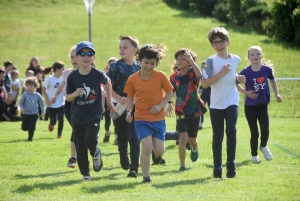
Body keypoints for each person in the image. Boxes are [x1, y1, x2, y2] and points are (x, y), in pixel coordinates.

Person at [124, 43, 173, 183]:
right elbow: (129, 97)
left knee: (159, 151)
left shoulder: (160, 76)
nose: (149, 66)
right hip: (141, 119)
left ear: (156, 63)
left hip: (158, 119)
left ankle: (157, 151)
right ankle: (146, 177)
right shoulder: (133, 79)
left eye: (152, 63)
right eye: (146, 62)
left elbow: (169, 93)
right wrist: (128, 112)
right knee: (146, 146)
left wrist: (160, 106)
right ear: (139, 61)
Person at [66, 41, 114, 181]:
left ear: (94, 57)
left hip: (94, 114)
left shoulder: (97, 74)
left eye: (89, 54)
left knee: (90, 140)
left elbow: (108, 82)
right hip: (77, 116)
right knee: (80, 146)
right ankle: (85, 174)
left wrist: (109, 101)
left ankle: (95, 153)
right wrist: (75, 93)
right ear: (76, 57)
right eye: (82, 53)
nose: (86, 56)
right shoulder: (72, 77)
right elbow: (68, 98)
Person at [202, 27, 245, 178]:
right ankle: (217, 167)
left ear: (228, 42)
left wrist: (239, 78)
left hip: (232, 100)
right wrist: (222, 73)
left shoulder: (236, 59)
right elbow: (205, 84)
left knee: (231, 131)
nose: (219, 45)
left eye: (222, 42)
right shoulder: (210, 61)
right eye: (215, 43)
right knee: (218, 135)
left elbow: (232, 76)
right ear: (212, 45)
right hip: (216, 104)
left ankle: (231, 165)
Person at [237, 46, 282, 162]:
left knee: (265, 130)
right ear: (248, 57)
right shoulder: (245, 72)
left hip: (263, 105)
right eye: (252, 54)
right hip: (250, 107)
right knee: (254, 132)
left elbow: (272, 80)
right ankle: (254, 156)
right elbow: (235, 82)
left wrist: (277, 94)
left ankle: (263, 146)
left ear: (262, 55)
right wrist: (245, 92)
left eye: (258, 54)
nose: (255, 56)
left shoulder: (267, 70)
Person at [166, 48, 206, 171]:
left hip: (194, 110)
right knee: (182, 138)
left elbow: (200, 75)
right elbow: (170, 91)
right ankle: (182, 166)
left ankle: (194, 148)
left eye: (183, 59)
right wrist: (168, 104)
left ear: (189, 61)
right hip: (180, 110)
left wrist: (191, 61)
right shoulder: (173, 77)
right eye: (177, 59)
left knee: (192, 139)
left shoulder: (193, 73)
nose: (179, 61)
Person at [106, 36, 141, 178]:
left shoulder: (139, 67)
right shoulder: (115, 66)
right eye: (120, 47)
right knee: (122, 137)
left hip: (135, 108)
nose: (121, 49)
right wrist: (118, 97)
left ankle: (134, 168)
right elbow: (107, 84)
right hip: (119, 107)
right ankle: (122, 154)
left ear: (134, 50)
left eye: (125, 47)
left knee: (134, 136)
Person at [51, 45, 79, 168]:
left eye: (76, 56)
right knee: (76, 128)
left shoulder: (89, 72)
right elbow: (62, 86)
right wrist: (55, 96)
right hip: (69, 105)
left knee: (81, 130)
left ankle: (85, 154)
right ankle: (73, 158)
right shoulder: (66, 72)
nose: (74, 59)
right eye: (72, 57)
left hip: (84, 105)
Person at [42, 61, 65, 139]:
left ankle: (59, 135)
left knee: (61, 119)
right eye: (63, 69)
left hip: (61, 103)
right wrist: (47, 100)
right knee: (53, 121)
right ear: (58, 70)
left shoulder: (63, 79)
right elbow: (43, 89)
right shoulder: (50, 79)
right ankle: (51, 123)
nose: (64, 70)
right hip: (51, 104)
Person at [19, 76, 45, 141]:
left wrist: (43, 111)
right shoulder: (24, 94)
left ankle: (30, 138)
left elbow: (41, 103)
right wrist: (22, 108)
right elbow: (21, 103)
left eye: (31, 86)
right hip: (25, 113)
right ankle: (29, 127)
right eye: (28, 86)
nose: (29, 87)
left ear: (35, 86)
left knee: (31, 126)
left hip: (34, 114)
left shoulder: (37, 95)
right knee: (24, 128)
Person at [102, 57, 118, 143]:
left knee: (116, 120)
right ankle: (107, 132)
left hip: (117, 101)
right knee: (107, 121)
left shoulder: (120, 74)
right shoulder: (105, 75)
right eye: (111, 64)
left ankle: (117, 138)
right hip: (107, 99)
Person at [198, 61, 211, 130]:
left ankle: (214, 122)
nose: (202, 68)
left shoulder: (210, 74)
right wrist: (200, 88)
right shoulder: (200, 74)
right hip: (203, 94)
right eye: (201, 66)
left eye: (204, 66)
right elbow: (202, 84)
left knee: (212, 109)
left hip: (210, 94)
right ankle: (200, 123)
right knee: (200, 109)